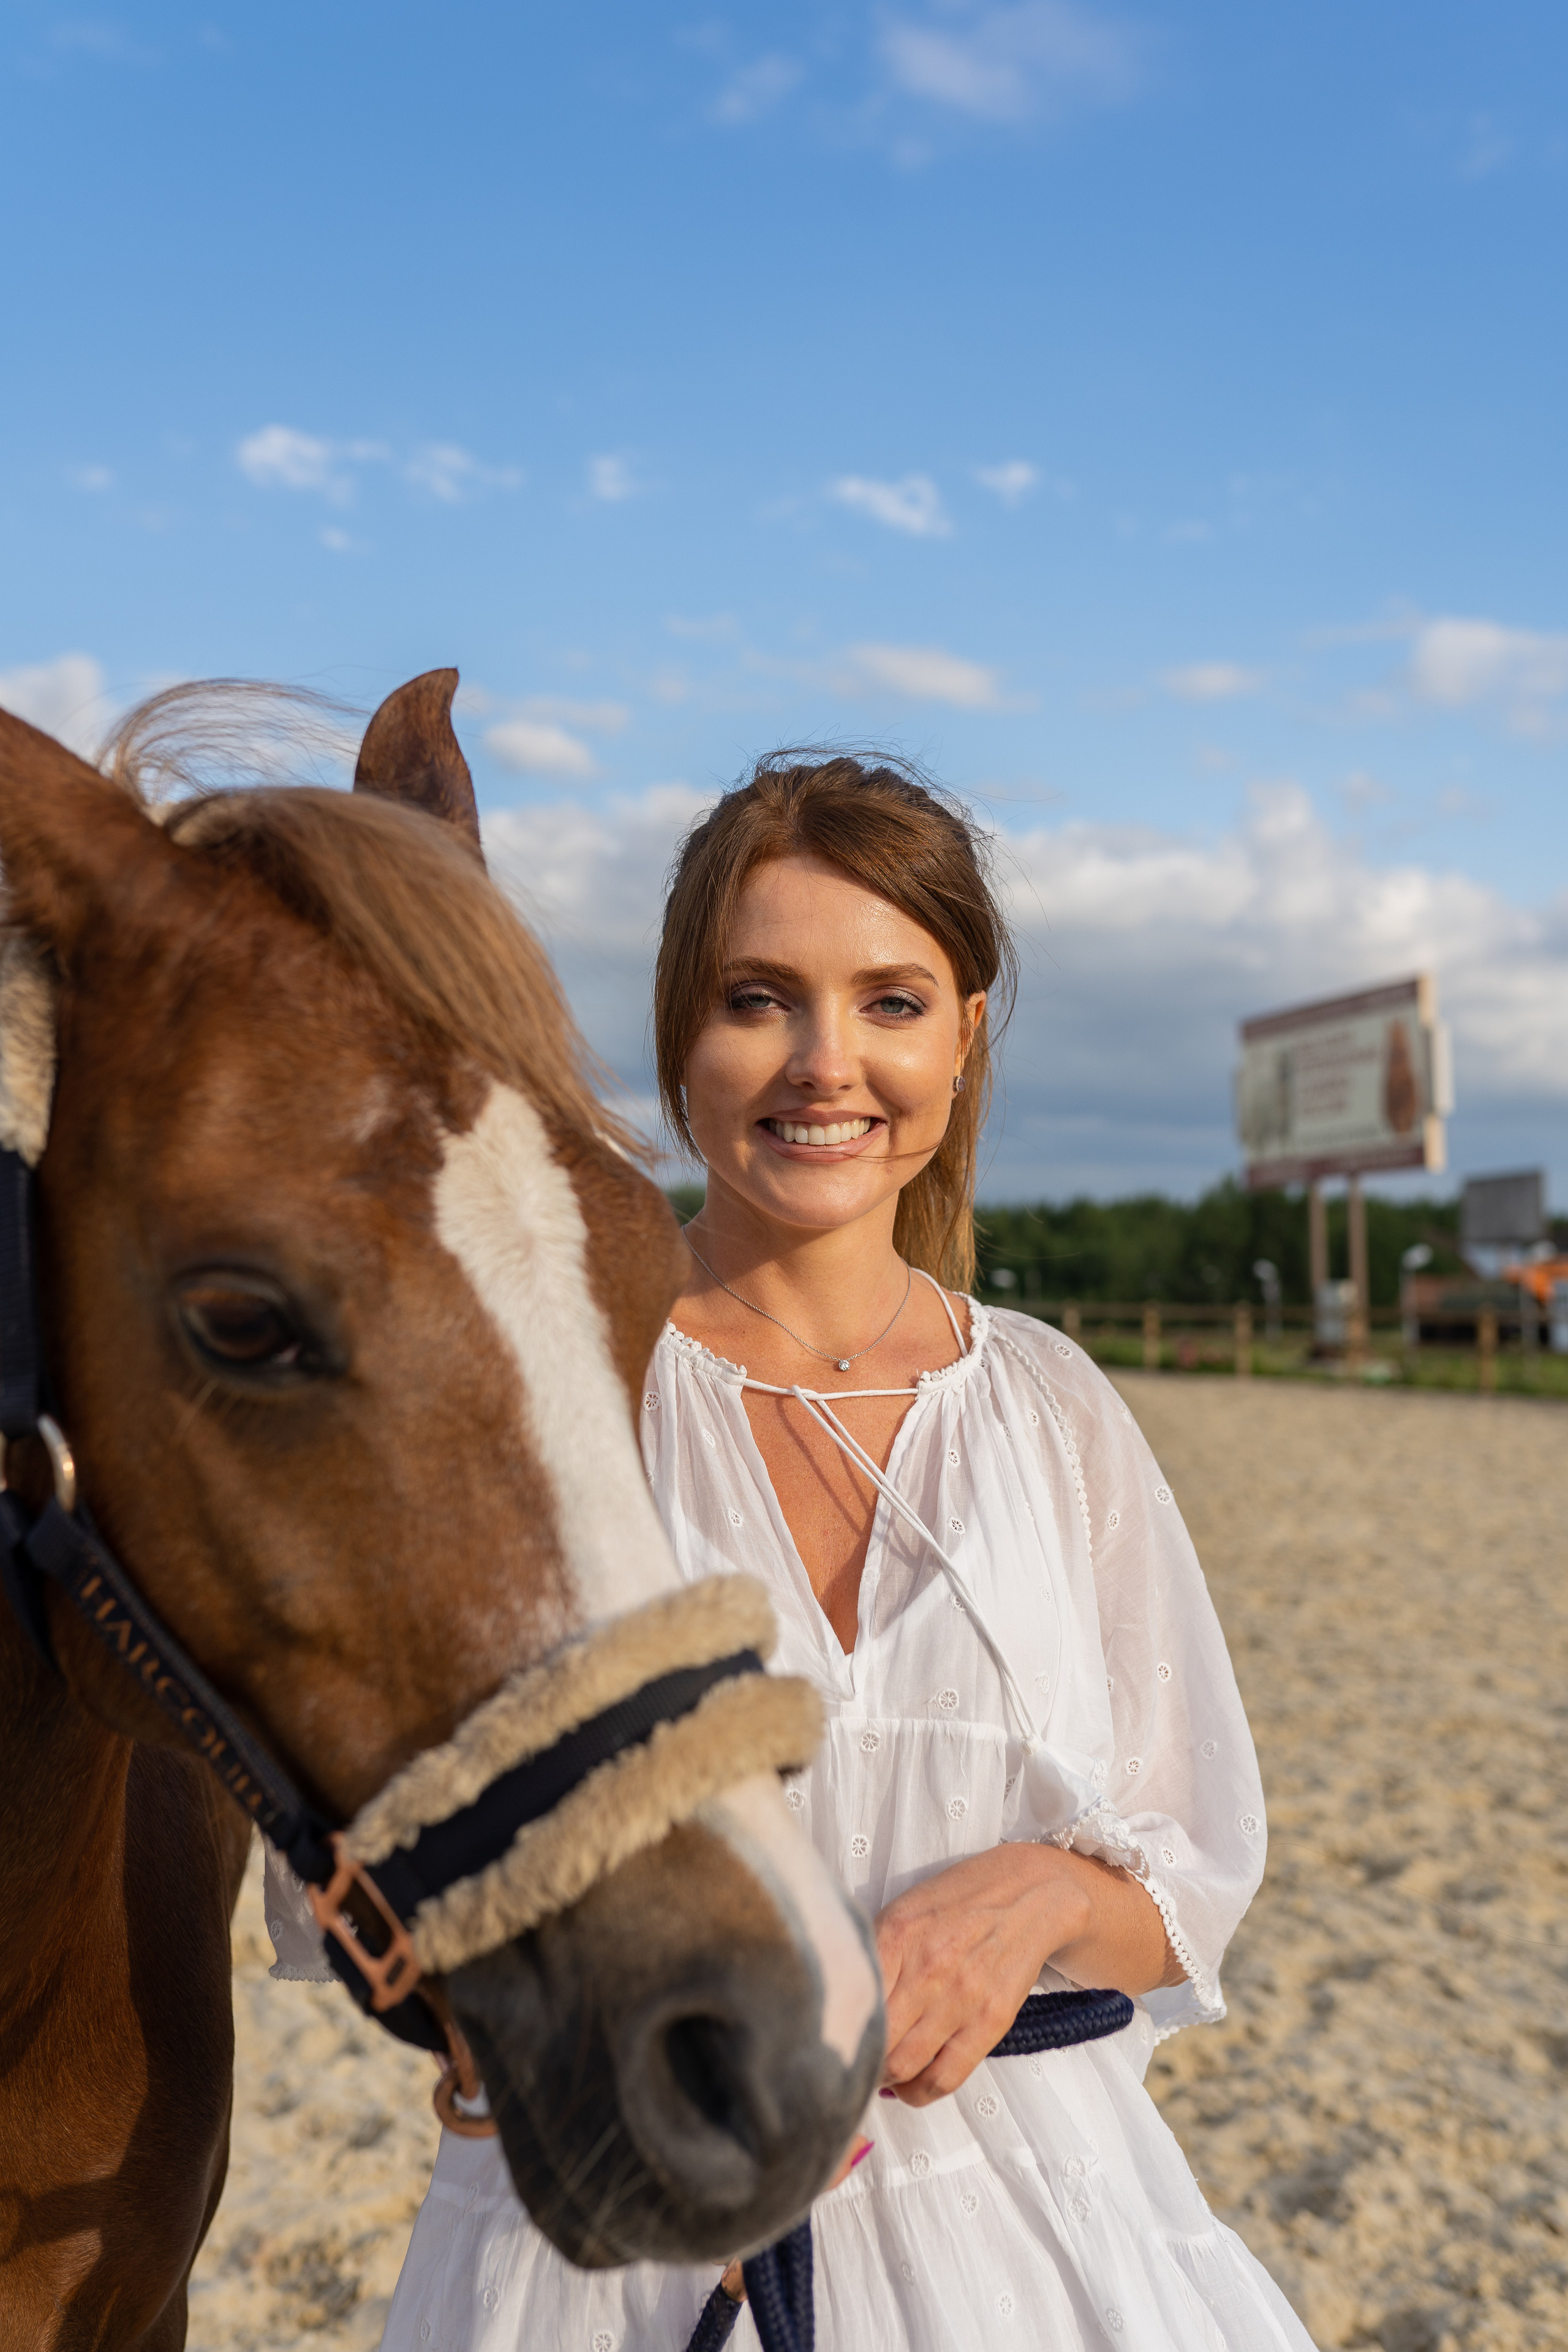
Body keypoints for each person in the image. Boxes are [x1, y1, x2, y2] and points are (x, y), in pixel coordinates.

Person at [277, 752, 1316, 2348]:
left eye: (891, 1002)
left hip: (1036, 2239)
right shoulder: (559, 1391)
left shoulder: (1047, 1406)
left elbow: (1189, 1885)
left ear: (966, 1037)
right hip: (619, 2249)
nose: (827, 1064)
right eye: (761, 998)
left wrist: (1037, 1895)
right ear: (680, 1035)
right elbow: (343, 1859)